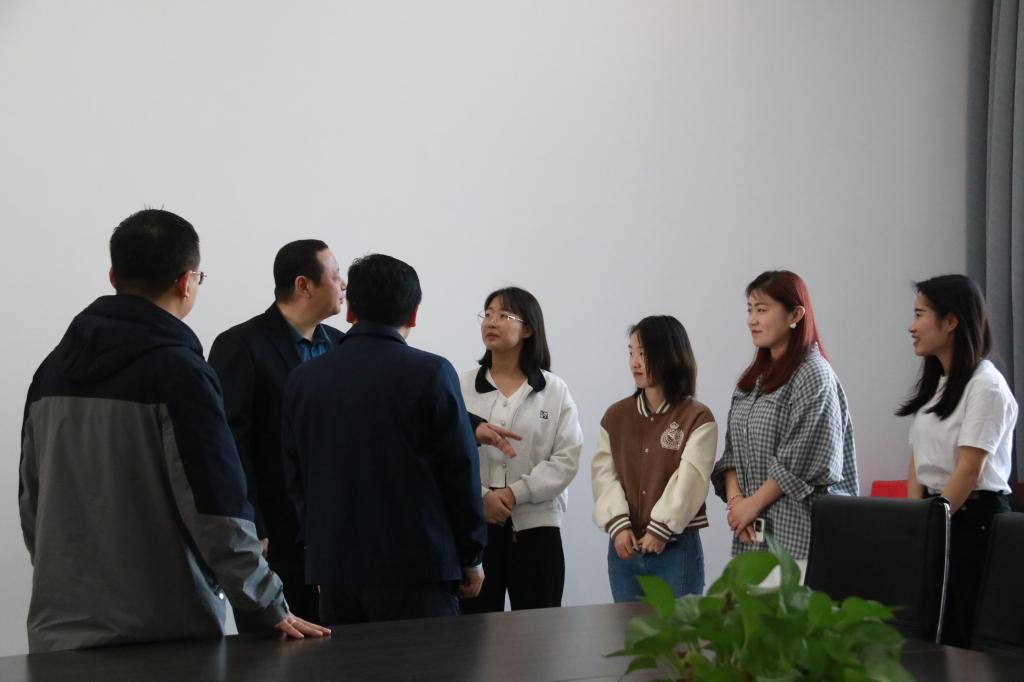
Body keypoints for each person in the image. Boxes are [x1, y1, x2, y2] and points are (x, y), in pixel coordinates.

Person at [18, 209, 328, 653]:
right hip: (165, 636)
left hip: (59, 635)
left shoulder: (50, 372)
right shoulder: (180, 372)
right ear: (186, 282)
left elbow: (31, 501)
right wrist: (268, 604)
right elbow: (216, 506)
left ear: (113, 276)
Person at [282, 253, 488, 624]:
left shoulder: (304, 379)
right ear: (414, 314)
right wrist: (471, 555)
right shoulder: (432, 373)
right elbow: (460, 470)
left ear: (350, 312)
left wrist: (319, 554)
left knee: (348, 660)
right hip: (420, 568)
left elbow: (297, 476)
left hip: (336, 569)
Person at [208, 239, 346, 628]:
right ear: (304, 285)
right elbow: (229, 443)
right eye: (336, 275)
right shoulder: (240, 345)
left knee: (344, 649)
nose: (344, 284)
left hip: (339, 536)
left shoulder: (342, 345)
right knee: (274, 651)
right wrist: (251, 523)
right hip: (274, 535)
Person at [711, 270, 858, 577]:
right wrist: (737, 503)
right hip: (752, 540)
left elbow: (802, 462)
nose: (752, 320)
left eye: (762, 310)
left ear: (795, 315)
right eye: (750, 310)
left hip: (802, 542)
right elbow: (732, 454)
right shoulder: (752, 380)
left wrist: (751, 505)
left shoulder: (813, 374)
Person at [898, 274, 1017, 648]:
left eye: (920, 315)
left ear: (951, 321)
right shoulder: (937, 383)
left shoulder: (986, 385)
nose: (911, 326)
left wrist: (932, 523)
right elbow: (918, 461)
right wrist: (916, 518)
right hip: (938, 515)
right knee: (929, 632)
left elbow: (968, 470)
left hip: (973, 522)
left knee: (964, 635)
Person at [459, 287, 584, 612]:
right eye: (487, 314)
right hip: (478, 525)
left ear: (527, 328)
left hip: (537, 527)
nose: (491, 322)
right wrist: (482, 496)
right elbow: (449, 455)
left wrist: (515, 493)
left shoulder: (553, 390)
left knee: (538, 630)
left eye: (503, 315)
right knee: (472, 631)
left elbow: (566, 458)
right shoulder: (462, 385)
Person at [592, 316, 717, 602]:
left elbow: (691, 480)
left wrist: (661, 529)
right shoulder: (615, 416)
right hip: (624, 550)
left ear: (670, 355)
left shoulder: (697, 417)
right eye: (631, 352)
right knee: (627, 629)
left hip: (675, 550)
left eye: (644, 354)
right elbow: (604, 474)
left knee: (678, 630)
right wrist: (618, 526)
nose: (635, 363)